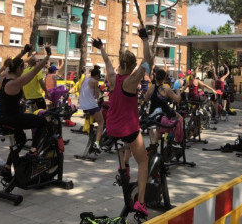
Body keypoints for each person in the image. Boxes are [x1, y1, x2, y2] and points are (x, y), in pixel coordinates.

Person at [93, 28, 151, 218]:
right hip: (128, 129)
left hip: (112, 127)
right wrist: (144, 39)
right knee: (144, 161)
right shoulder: (131, 81)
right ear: (133, 65)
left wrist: (101, 47)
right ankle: (141, 202)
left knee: (129, 141)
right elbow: (148, 61)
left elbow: (107, 62)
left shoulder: (112, 78)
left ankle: (123, 166)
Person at [0, 45, 52, 181]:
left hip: (1, 118)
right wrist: (47, 57)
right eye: (23, 68)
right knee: (42, 122)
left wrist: (23, 52)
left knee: (20, 139)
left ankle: (7, 168)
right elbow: (33, 73)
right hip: (13, 118)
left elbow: (12, 63)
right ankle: (33, 152)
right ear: (19, 69)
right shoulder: (15, 83)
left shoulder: (4, 78)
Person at [145, 69, 182, 145]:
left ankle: (155, 145)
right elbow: (177, 100)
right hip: (164, 113)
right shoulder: (166, 88)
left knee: (158, 129)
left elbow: (146, 99)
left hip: (153, 113)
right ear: (164, 78)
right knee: (180, 118)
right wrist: (178, 92)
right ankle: (176, 140)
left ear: (155, 77)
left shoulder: (151, 87)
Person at [78, 65, 104, 153]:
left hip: (83, 105)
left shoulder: (85, 80)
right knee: (101, 122)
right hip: (91, 105)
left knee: (96, 119)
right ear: (97, 76)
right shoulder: (95, 81)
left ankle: (93, 135)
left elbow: (80, 90)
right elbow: (97, 96)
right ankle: (96, 143)